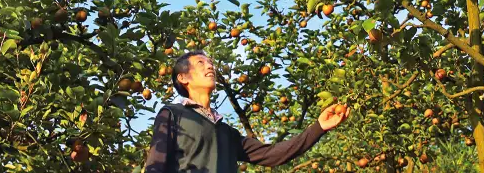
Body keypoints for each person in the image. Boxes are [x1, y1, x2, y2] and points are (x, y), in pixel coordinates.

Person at [143, 50, 350, 172]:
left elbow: (272, 154)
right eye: (201, 63)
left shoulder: (225, 131)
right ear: (183, 78)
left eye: (210, 63)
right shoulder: (172, 114)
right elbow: (155, 166)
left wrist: (319, 127)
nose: (210, 67)